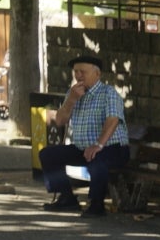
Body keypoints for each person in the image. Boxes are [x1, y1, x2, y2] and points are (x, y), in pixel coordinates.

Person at [40, 53, 130, 217]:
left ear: (97, 74)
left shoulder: (108, 93)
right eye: (76, 72)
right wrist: (71, 101)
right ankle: (67, 198)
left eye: (83, 72)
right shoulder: (73, 93)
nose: (78, 76)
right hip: (83, 148)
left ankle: (96, 205)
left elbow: (113, 120)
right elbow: (59, 121)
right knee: (48, 155)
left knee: (97, 160)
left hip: (113, 148)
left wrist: (98, 145)